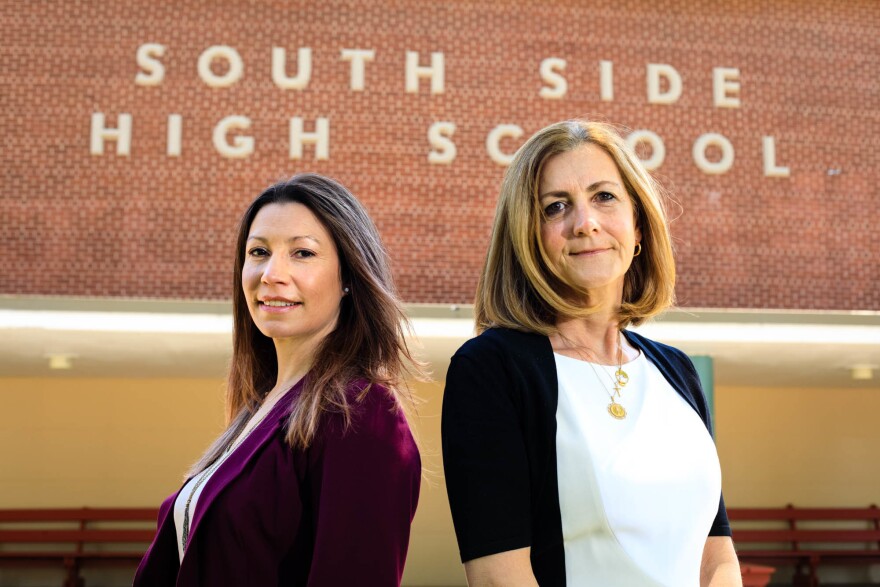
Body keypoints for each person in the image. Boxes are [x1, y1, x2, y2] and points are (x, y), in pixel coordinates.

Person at [441, 120, 741, 586]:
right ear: (528, 237)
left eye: (604, 197)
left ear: (637, 225)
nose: (585, 223)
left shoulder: (677, 370)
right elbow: (499, 577)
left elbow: (716, 556)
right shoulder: (490, 369)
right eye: (555, 207)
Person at [134, 173, 422, 586]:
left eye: (302, 253)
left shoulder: (361, 411)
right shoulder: (260, 409)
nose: (271, 273)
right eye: (259, 251)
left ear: (348, 277)